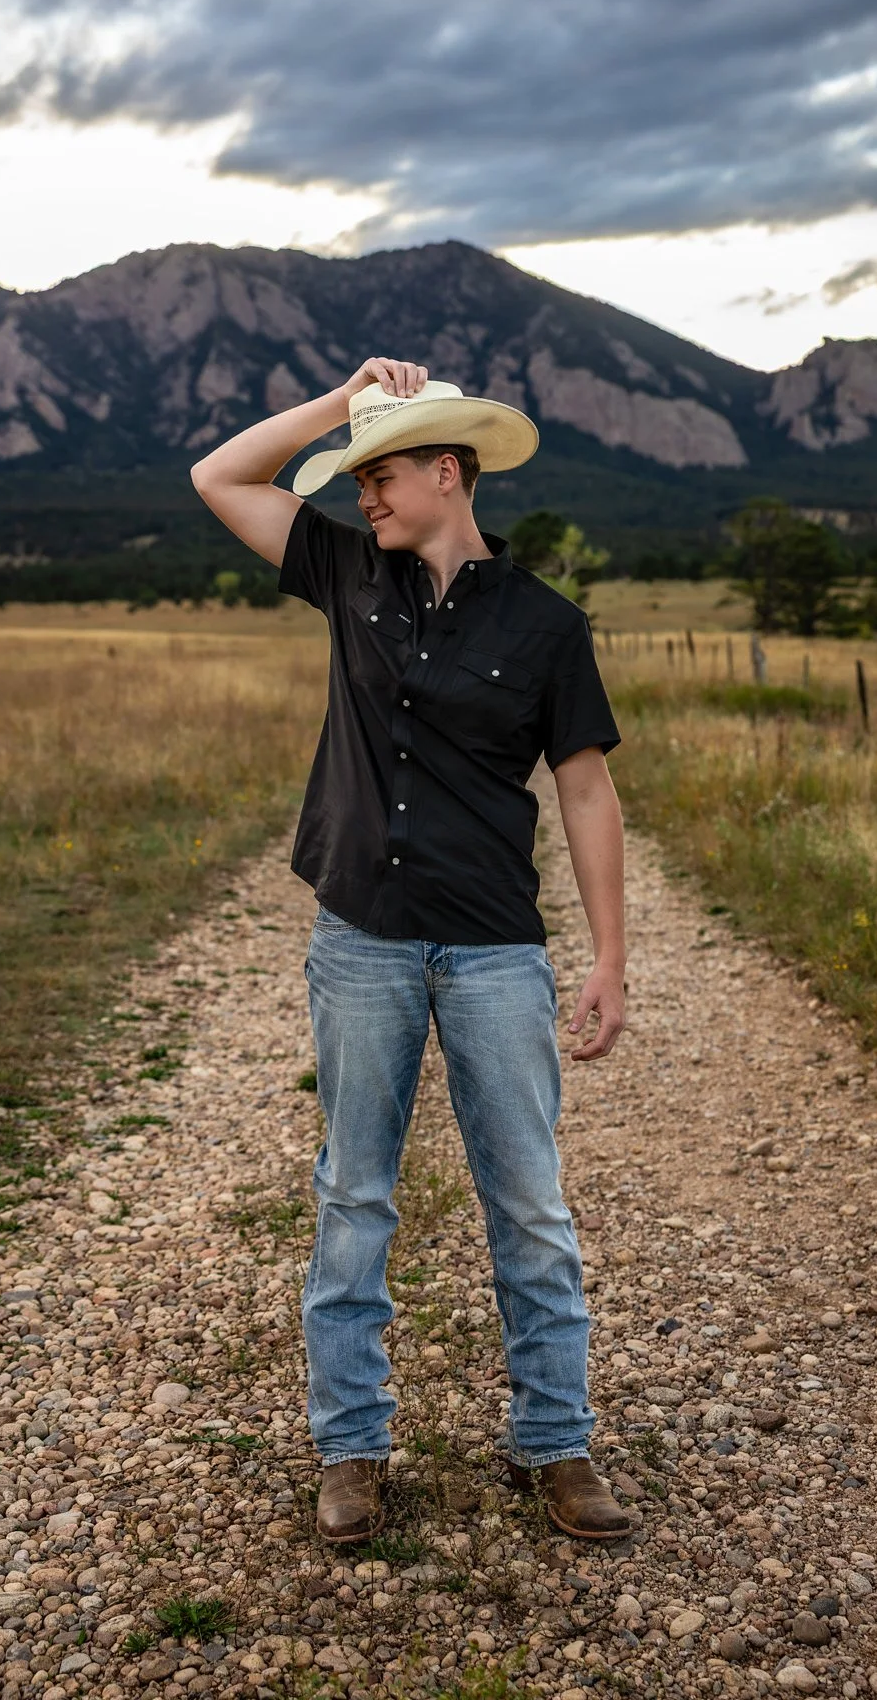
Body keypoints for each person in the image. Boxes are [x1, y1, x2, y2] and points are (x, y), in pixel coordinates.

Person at [191, 355, 631, 1543]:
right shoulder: (343, 570)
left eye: (379, 471)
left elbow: (585, 791)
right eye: (357, 474)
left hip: (493, 946)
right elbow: (220, 472)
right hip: (362, 943)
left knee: (529, 1205)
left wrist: (607, 958)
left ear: (448, 472)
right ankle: (352, 1447)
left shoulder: (546, 623)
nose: (362, 492)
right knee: (354, 1198)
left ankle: (556, 1442)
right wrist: (341, 406)